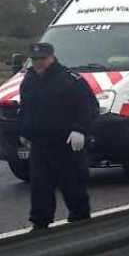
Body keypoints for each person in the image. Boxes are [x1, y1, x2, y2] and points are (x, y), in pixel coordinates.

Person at [17, 42, 99, 230]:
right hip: (40, 144)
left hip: (67, 144)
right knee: (40, 187)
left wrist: (80, 130)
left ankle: (80, 222)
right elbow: (25, 108)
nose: (38, 63)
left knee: (73, 185)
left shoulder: (70, 79)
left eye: (42, 59)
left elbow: (88, 107)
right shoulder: (29, 80)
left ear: (52, 57)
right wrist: (24, 131)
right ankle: (40, 224)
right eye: (35, 59)